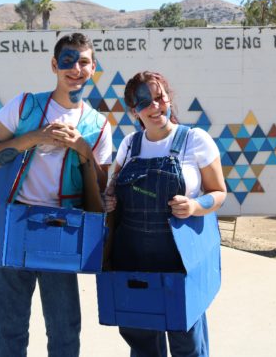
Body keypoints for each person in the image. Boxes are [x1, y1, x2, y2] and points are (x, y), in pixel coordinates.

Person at [0, 32, 112, 357]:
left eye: (83, 62)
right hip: (15, 225)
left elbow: (99, 200)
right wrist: (33, 137)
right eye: (68, 60)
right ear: (54, 64)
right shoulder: (24, 106)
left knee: (65, 331)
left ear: (93, 68)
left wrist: (82, 150)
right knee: (10, 330)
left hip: (61, 232)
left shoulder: (99, 126)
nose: (75, 68)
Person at [104, 71, 227, 357]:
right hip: (131, 257)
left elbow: (219, 193)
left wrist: (195, 206)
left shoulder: (195, 140)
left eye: (160, 97)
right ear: (134, 110)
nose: (156, 106)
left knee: (187, 341)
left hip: (180, 258)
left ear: (169, 98)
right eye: (144, 102)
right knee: (141, 339)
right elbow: (113, 191)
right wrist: (109, 199)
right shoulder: (129, 145)